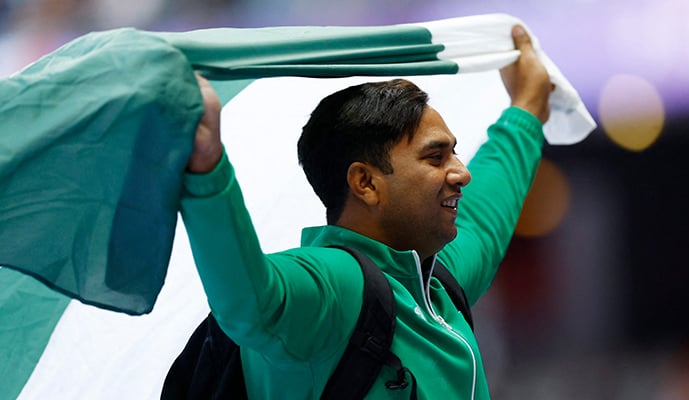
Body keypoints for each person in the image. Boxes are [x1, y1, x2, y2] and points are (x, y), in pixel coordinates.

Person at [180, 24, 551, 399]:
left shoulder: (435, 284)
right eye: (436, 157)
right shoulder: (334, 285)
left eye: (454, 153)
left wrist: (528, 108)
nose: (462, 172)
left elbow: (487, 216)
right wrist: (207, 169)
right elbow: (247, 299)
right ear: (366, 183)